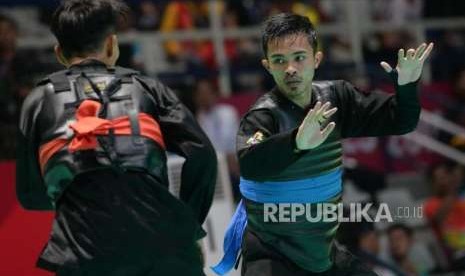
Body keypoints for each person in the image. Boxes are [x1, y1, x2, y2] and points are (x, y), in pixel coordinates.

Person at [212, 13, 433, 276]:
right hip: (272, 252)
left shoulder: (336, 97)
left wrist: (407, 87)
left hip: (322, 254)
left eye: (299, 57)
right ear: (267, 66)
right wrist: (297, 142)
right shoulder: (263, 115)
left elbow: (400, 121)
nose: (290, 68)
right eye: (279, 61)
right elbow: (251, 164)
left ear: (316, 59)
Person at [16, 0, 217, 275]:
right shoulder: (147, 88)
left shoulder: (38, 100)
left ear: (59, 53)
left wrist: (73, 190)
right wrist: (186, 223)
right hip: (166, 246)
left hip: (84, 255)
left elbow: (30, 195)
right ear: (112, 45)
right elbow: (202, 153)